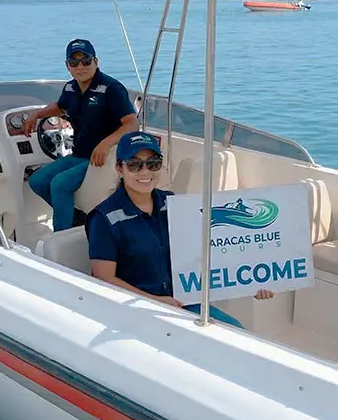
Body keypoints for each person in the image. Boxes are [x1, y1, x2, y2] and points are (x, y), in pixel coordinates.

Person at [86, 131, 273, 327]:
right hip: (136, 309)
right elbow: (104, 278)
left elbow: (207, 247)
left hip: (183, 302)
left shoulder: (172, 203)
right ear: (119, 168)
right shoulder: (104, 218)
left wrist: (252, 280)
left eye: (153, 163)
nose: (145, 172)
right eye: (134, 164)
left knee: (236, 332)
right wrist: (156, 301)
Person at [25, 39, 139, 231]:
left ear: (96, 61)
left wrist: (106, 143)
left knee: (59, 185)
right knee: (37, 181)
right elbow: (60, 107)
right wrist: (37, 114)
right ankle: (77, 218)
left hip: (103, 158)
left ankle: (61, 237)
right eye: (74, 62)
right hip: (78, 155)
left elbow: (132, 123)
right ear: (67, 66)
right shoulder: (70, 88)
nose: (80, 67)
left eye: (86, 61)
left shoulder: (111, 89)